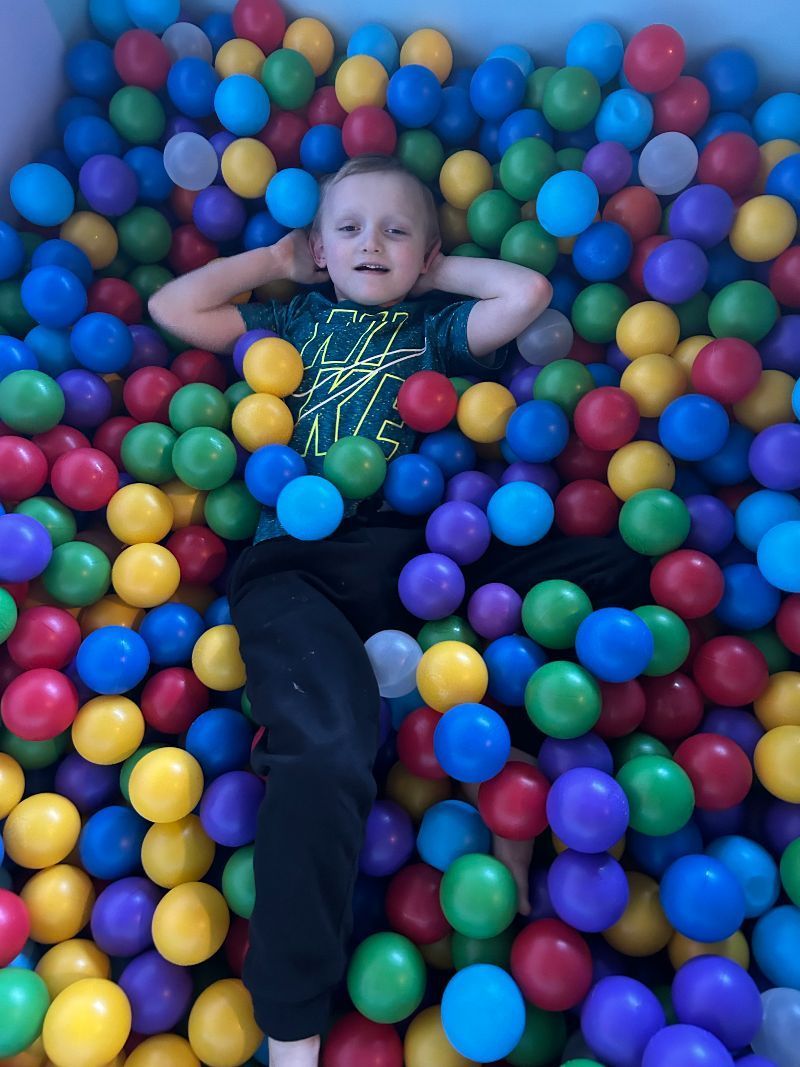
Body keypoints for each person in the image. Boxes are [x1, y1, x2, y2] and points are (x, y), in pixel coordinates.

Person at [149, 155, 650, 1067]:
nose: (369, 245)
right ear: (318, 247)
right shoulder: (294, 318)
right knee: (330, 744)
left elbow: (526, 290)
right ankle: (293, 1031)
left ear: (427, 255)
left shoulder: (431, 328)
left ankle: (514, 803)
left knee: (626, 562)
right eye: (349, 229)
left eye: (394, 230)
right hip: (296, 563)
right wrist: (277, 259)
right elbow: (172, 309)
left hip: (424, 553)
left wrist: (432, 274)